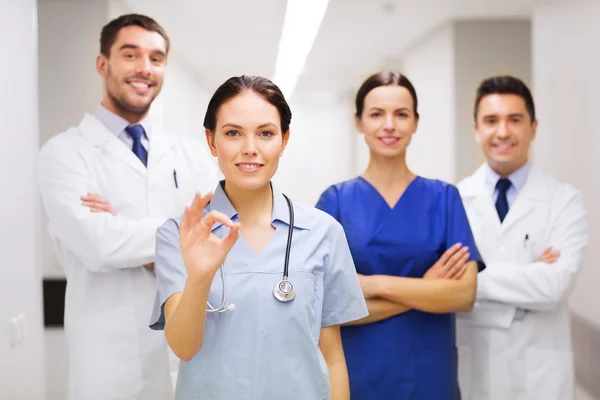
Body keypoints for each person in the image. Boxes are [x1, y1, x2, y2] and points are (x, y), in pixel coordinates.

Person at [149, 75, 368, 399]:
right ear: (211, 141)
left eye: (265, 133)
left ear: (284, 140)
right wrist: (199, 276)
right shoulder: (179, 235)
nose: (250, 149)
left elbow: (332, 357)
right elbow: (183, 347)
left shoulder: (323, 233)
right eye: (233, 133)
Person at [38, 14, 218, 399]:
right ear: (103, 64)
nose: (145, 69)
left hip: (185, 345)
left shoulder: (190, 155)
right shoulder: (64, 154)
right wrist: (183, 238)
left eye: (156, 58)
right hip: (108, 355)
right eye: (130, 55)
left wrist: (124, 228)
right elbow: (98, 244)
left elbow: (216, 236)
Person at [315, 71, 484, 399]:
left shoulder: (444, 198)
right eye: (377, 114)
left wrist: (372, 285)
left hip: (430, 375)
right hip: (358, 377)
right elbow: (324, 305)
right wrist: (428, 288)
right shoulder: (335, 202)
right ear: (359, 122)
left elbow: (464, 295)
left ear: (416, 122)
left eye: (401, 114)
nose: (389, 125)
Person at [456, 75, 589, 400]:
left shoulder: (564, 200)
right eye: (491, 120)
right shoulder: (454, 200)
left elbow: (556, 284)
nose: (502, 132)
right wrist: (530, 273)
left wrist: (474, 277)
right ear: (476, 129)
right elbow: (444, 288)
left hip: (540, 373)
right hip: (475, 366)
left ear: (533, 127)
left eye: (515, 120)